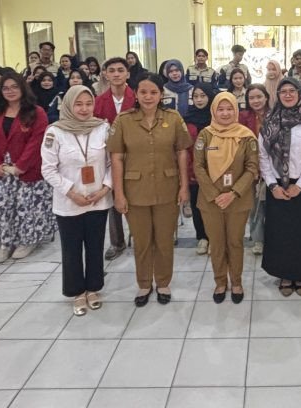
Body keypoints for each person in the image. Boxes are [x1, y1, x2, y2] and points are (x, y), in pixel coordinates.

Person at [108, 74, 192, 306]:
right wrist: (118, 193)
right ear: (135, 94)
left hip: (167, 187)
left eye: (153, 92)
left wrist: (184, 186)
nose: (148, 97)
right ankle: (144, 284)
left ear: (161, 95)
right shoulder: (123, 120)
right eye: (143, 92)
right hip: (135, 190)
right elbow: (117, 158)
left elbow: (182, 152)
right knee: (142, 241)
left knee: (165, 240)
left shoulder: (173, 118)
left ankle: (163, 282)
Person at [41, 85, 114, 316]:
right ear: (68, 106)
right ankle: (77, 292)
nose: (84, 109)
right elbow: (48, 169)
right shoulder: (55, 132)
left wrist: (105, 189)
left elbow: (112, 163)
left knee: (95, 246)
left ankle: (93, 288)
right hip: (69, 202)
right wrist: (71, 193)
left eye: (88, 103)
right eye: (78, 104)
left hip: (98, 200)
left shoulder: (103, 128)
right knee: (71, 249)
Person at [258, 78, 301, 297]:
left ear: (299, 93)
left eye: (292, 91)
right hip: (277, 186)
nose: (288, 95)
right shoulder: (269, 121)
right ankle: (284, 274)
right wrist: (272, 185)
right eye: (283, 91)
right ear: (277, 95)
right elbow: (263, 156)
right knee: (280, 233)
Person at [0, 72, 55, 263]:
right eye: (5, 88)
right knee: (1, 206)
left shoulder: (36, 112)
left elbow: (37, 141)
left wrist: (21, 165)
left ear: (22, 88)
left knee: (27, 206)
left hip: (27, 167)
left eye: (14, 87)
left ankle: (28, 240)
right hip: (0, 167)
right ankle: (4, 243)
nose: (10, 91)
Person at [193, 92, 259, 304]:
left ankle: (236, 282)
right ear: (214, 111)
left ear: (236, 110)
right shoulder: (205, 135)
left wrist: (233, 193)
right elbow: (198, 167)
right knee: (217, 243)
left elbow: (252, 168)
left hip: (238, 200)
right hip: (210, 200)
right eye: (220, 109)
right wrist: (215, 195)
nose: (225, 113)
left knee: (235, 242)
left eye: (229, 109)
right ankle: (220, 281)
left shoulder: (246, 136)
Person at [95, 57, 137, 261]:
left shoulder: (137, 97)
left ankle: (139, 236)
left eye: (121, 70)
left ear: (128, 73)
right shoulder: (98, 101)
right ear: (105, 74)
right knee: (113, 199)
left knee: (137, 198)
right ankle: (116, 242)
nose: (116, 74)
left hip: (135, 154)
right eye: (111, 70)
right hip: (109, 156)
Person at [185, 83, 217, 255]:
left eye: (203, 96)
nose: (199, 100)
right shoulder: (186, 119)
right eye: (195, 96)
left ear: (210, 97)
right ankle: (202, 237)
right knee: (197, 205)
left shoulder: (217, 118)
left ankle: (214, 237)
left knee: (214, 205)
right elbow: (183, 147)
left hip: (215, 170)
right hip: (193, 170)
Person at [240, 84, 270, 255]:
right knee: (255, 206)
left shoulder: (275, 115)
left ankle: (273, 238)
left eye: (259, 97)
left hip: (273, 168)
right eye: (251, 98)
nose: (256, 101)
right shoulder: (243, 117)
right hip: (251, 168)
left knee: (273, 207)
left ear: (266, 97)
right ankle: (258, 239)